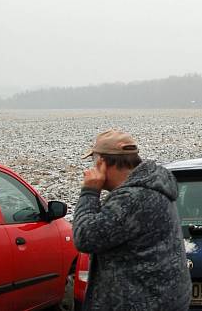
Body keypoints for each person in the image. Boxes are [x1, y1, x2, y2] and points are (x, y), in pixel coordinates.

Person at [73, 129, 191, 311]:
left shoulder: (132, 198)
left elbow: (85, 237)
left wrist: (90, 191)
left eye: (94, 161)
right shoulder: (151, 187)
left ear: (102, 162)